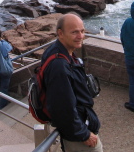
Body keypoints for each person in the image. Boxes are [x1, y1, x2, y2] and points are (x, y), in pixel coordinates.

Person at [42, 13, 102, 152]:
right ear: (60, 33)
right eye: (74, 32)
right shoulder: (59, 66)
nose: (81, 36)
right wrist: (84, 134)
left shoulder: (59, 51)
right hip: (79, 137)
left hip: (79, 126)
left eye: (82, 31)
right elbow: (62, 108)